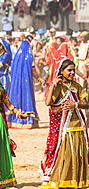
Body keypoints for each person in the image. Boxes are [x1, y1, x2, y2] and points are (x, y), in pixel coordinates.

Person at [40, 59, 89, 188]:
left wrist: (75, 104)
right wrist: (53, 86)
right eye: (69, 70)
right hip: (64, 126)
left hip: (78, 124)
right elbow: (48, 102)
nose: (72, 73)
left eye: (73, 70)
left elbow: (87, 104)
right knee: (66, 153)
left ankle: (75, 180)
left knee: (78, 154)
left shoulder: (77, 86)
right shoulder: (58, 87)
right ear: (61, 71)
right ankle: (63, 179)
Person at [7, 40, 41, 129]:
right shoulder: (29, 57)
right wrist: (39, 79)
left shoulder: (16, 58)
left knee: (16, 99)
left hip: (16, 85)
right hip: (26, 84)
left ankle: (13, 120)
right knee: (27, 98)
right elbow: (33, 71)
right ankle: (28, 121)